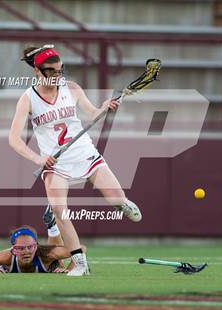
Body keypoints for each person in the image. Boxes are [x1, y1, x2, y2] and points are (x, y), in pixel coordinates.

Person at [8, 45, 142, 276]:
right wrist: (38, 158)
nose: (57, 76)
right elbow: (13, 139)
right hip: (56, 165)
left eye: (60, 70)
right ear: (38, 71)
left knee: (116, 201)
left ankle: (123, 202)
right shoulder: (28, 99)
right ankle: (80, 263)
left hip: (85, 154)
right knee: (60, 212)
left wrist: (105, 108)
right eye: (51, 71)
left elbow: (92, 114)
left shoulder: (71, 88)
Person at [0, 194, 81, 273]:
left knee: (55, 258)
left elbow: (81, 249)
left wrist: (69, 270)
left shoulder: (46, 254)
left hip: (48, 258)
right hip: (43, 260)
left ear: (36, 246)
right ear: (13, 249)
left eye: (30, 247)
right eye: (20, 248)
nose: (26, 251)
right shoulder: (7, 256)